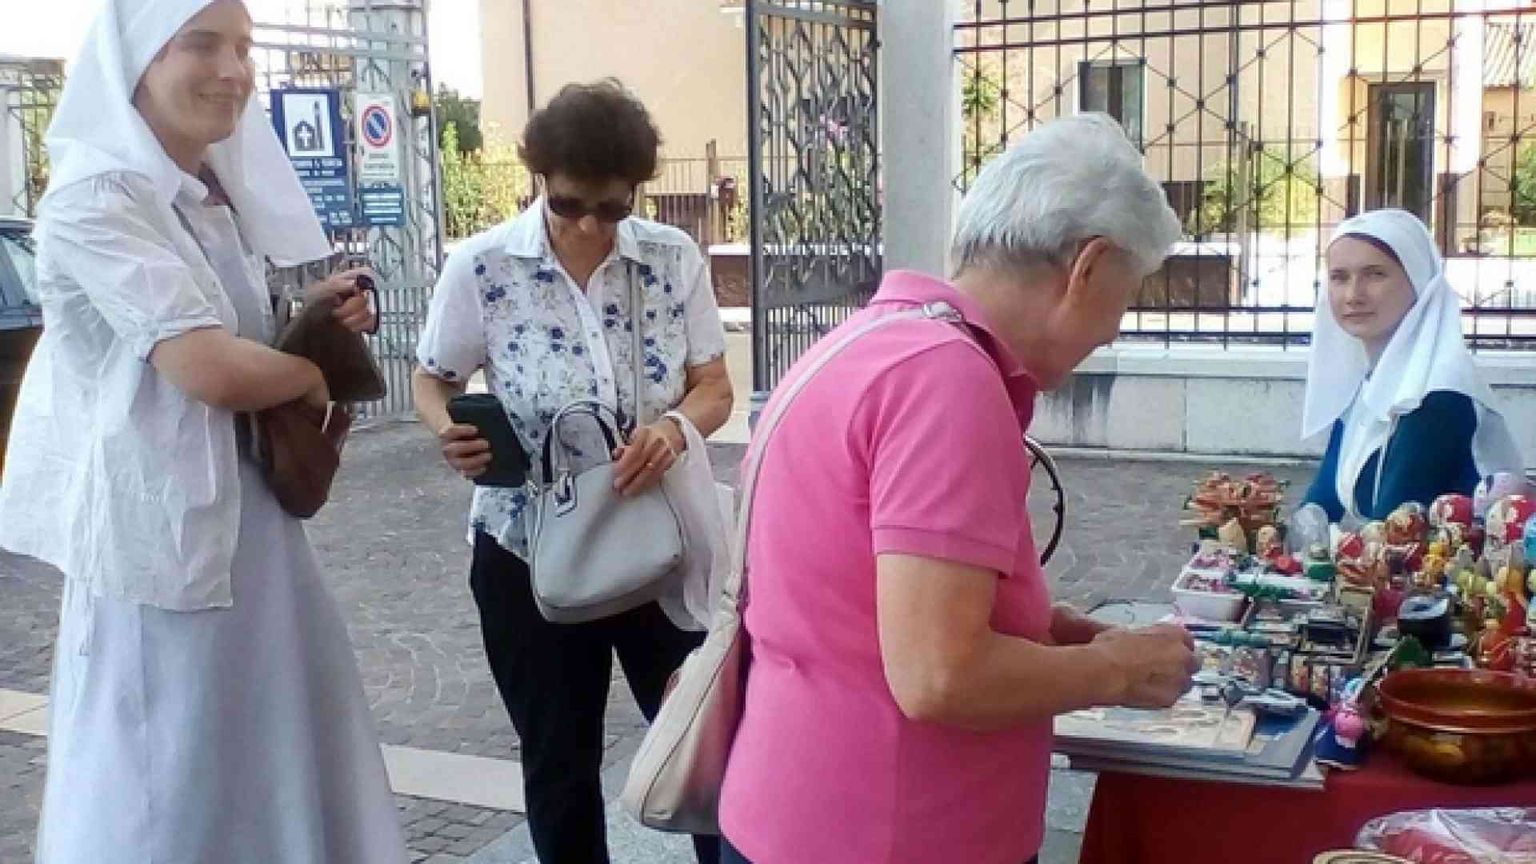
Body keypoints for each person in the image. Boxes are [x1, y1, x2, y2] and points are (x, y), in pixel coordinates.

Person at [715, 113, 1199, 864]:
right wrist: (1119, 671)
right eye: (1126, 295)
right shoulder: (947, 379)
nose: (1114, 328)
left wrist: (1049, 626)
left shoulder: (867, 342)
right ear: (1089, 267)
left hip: (798, 807)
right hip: (898, 831)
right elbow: (941, 676)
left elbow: (855, 597)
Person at [0, 1, 407, 861]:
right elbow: (207, 369)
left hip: (243, 528)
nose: (234, 69)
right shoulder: (95, 196)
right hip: (163, 548)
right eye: (203, 43)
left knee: (257, 766)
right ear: (137, 62)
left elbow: (232, 346)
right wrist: (314, 375)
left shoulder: (197, 200)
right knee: (168, 787)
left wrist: (306, 323)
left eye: (244, 47)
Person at [411, 80, 731, 864]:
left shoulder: (670, 257)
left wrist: (674, 428)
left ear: (637, 191)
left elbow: (714, 385)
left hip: (659, 541)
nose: (591, 224)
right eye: (570, 203)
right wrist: (448, 429)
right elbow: (432, 376)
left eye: (613, 207)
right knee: (558, 762)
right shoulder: (484, 267)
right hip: (529, 550)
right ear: (540, 182)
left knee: (704, 743)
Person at [1301, 209, 1525, 523]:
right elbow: (1320, 506)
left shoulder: (1438, 397)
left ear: (1419, 282)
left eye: (1375, 274)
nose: (1353, 295)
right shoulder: (1369, 385)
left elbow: (1391, 528)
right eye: (1340, 277)